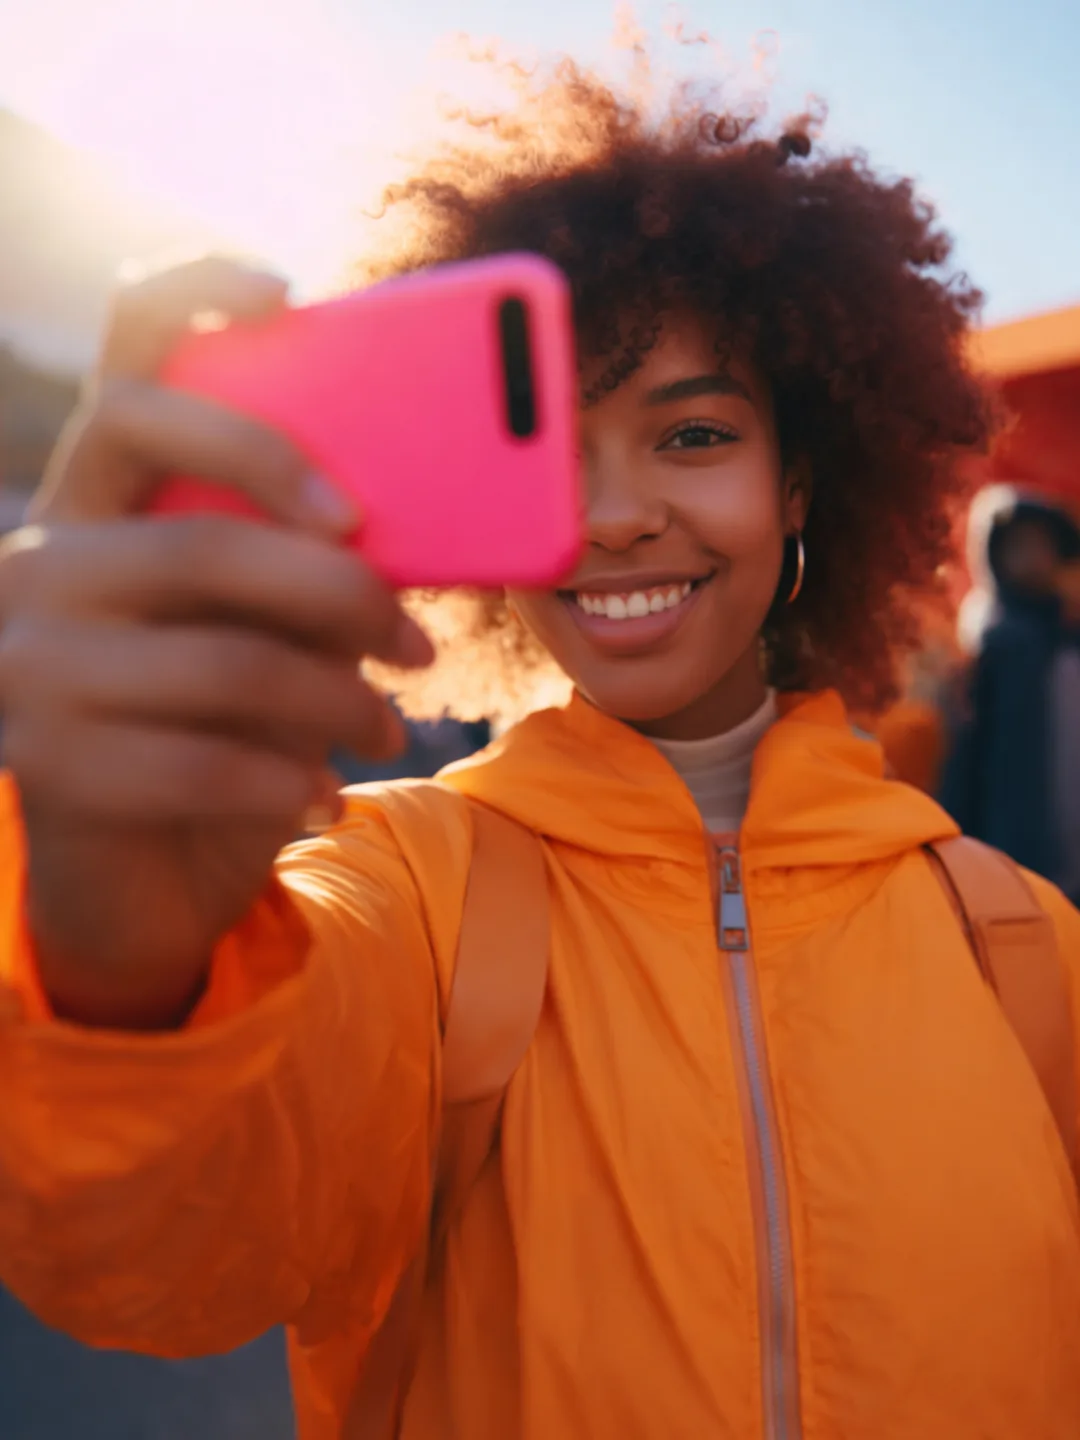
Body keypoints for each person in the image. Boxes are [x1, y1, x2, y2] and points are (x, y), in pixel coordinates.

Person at [1, 52, 1079, 1440]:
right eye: (547, 449)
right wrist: (122, 965)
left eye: (692, 433)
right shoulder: (400, 886)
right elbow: (156, 1256)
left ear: (801, 478)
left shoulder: (1022, 943)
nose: (615, 514)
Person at [939, 486, 1080, 903]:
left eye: (1041, 545)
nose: (1031, 559)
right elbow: (961, 761)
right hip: (1010, 853)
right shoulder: (988, 648)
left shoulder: (1067, 643)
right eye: (1017, 546)